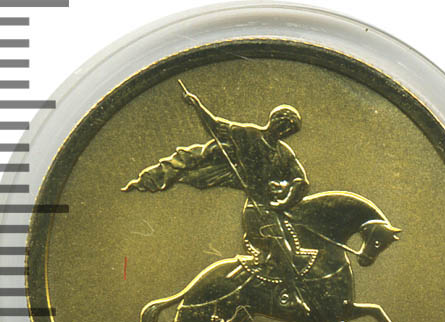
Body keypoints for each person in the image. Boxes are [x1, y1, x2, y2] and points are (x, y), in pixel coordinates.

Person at [123, 88, 316, 283]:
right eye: (284, 124)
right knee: (284, 255)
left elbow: (301, 181)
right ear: (274, 120)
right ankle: (291, 293)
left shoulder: (283, 152)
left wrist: (285, 198)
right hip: (256, 211)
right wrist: (197, 105)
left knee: (301, 247)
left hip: (275, 211)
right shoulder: (248, 135)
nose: (285, 130)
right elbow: (216, 127)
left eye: (290, 129)